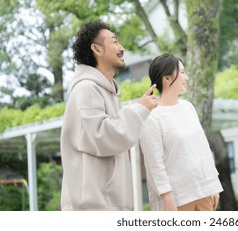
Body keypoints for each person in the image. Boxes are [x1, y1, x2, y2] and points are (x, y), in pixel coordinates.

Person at [60, 20, 157, 211]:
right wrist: (139, 110)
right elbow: (102, 136)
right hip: (92, 208)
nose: (121, 48)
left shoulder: (106, 92)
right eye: (114, 42)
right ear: (96, 48)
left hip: (107, 205)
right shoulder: (86, 89)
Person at [139, 53, 223, 211]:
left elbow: (202, 148)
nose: (187, 78)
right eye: (182, 72)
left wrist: (213, 185)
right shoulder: (152, 117)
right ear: (167, 78)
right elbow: (154, 164)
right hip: (177, 200)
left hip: (204, 192)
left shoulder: (188, 107)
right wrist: (167, 199)